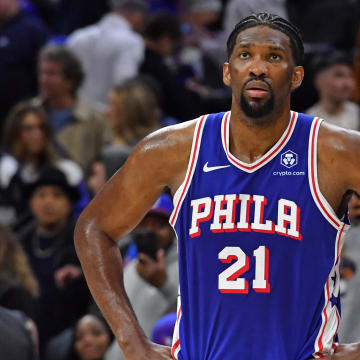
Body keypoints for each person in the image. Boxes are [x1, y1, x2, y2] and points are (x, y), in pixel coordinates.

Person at [74, 12, 360, 360]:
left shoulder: (335, 151)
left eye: (273, 57)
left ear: (296, 76)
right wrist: (133, 342)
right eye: (245, 55)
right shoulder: (172, 150)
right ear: (227, 72)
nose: (257, 67)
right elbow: (94, 228)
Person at [18, 167, 91, 351]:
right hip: (23, 333)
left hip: (69, 340)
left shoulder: (85, 243)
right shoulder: (16, 244)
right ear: (31, 203)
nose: (48, 202)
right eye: (41, 195)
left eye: (57, 195)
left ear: (69, 203)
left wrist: (80, 279)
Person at [105, 193, 178, 360]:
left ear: (173, 228)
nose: (150, 231)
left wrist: (164, 285)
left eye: (159, 225)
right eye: (145, 224)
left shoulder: (187, 265)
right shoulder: (129, 267)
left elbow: (196, 316)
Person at [37, 44, 107, 170]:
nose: (44, 80)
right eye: (43, 73)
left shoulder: (95, 118)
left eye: (51, 74)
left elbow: (103, 161)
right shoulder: (31, 113)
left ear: (71, 80)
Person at [67, 0, 147, 105]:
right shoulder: (131, 42)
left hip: (77, 111)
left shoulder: (76, 38)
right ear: (137, 16)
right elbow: (124, 83)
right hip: (110, 113)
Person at [306, 51, 359, 131]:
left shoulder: (357, 114)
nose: (348, 83)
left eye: (350, 76)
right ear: (319, 81)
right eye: (339, 75)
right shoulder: (308, 121)